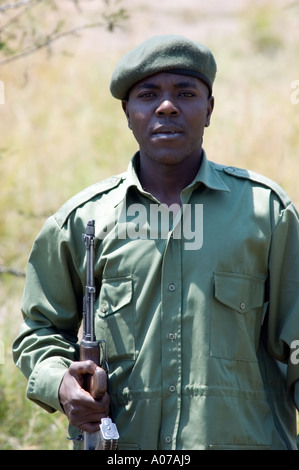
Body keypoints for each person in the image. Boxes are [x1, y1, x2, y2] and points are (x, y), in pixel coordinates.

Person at [13, 34, 299, 450]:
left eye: (185, 93)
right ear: (128, 113)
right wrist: (61, 384)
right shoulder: (83, 221)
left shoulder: (265, 213)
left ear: (209, 109)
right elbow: (40, 329)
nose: (167, 106)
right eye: (148, 95)